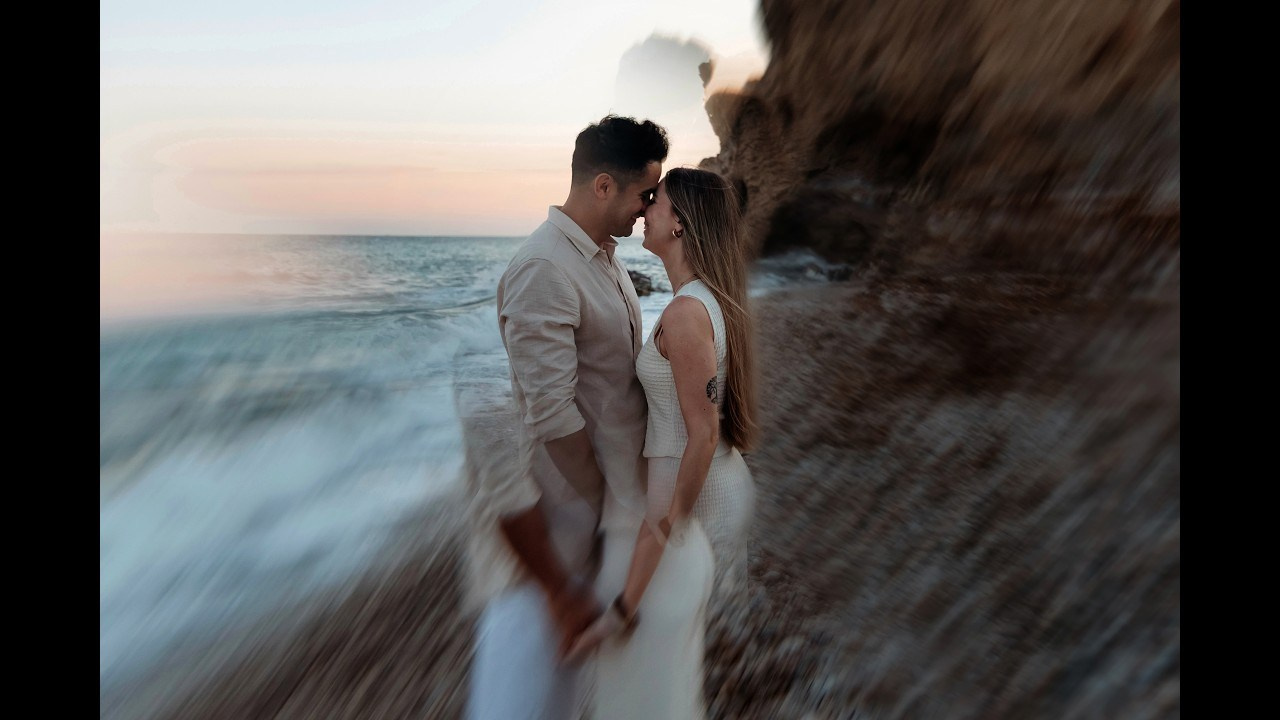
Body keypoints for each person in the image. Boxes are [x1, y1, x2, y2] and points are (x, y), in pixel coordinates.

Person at [465, 115, 669, 720]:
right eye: (644, 193)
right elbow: (551, 417)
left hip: (598, 534)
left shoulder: (604, 259)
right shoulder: (544, 270)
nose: (648, 207)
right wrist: (611, 503)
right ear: (603, 186)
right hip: (555, 540)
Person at [566, 167, 758, 719]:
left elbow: (702, 433)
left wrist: (663, 526)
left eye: (657, 201)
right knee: (666, 675)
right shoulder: (700, 302)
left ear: (679, 225)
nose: (645, 209)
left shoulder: (685, 313)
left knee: (646, 681)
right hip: (710, 494)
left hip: (698, 506)